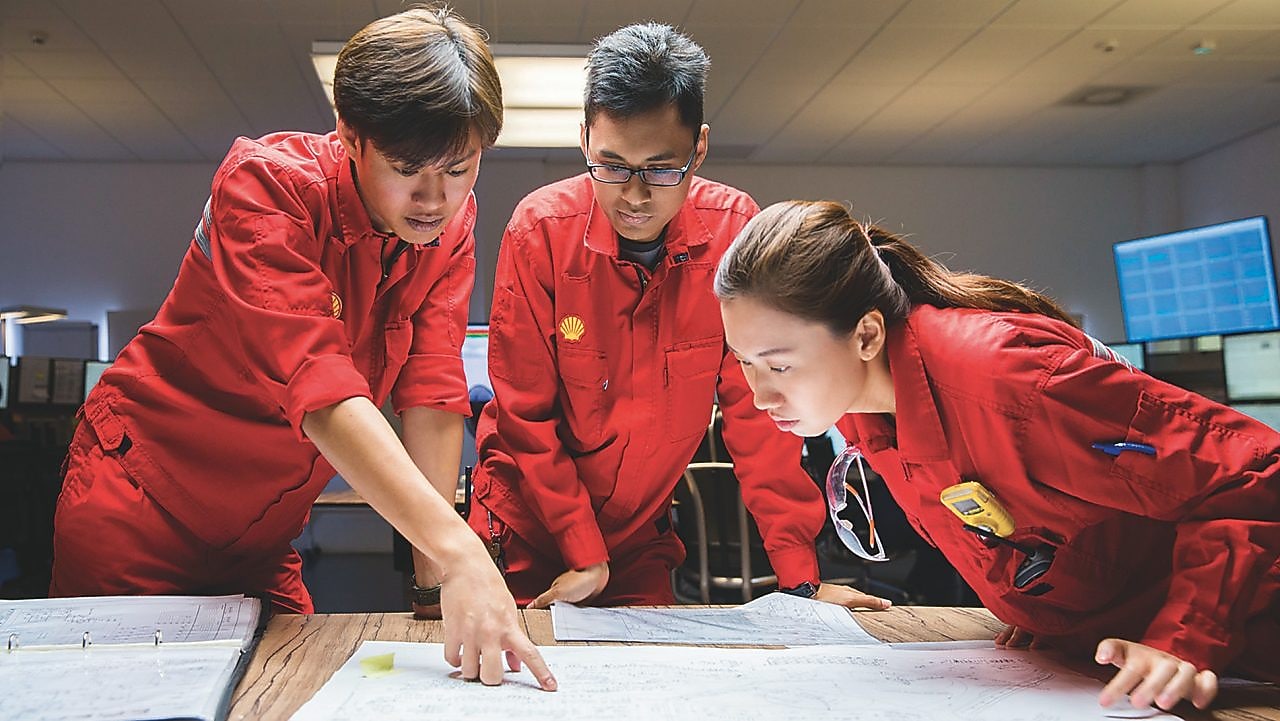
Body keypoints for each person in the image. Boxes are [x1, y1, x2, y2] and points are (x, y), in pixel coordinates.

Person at [49, 7, 555, 690]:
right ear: (351, 134)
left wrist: (434, 585)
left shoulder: (447, 225)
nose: (435, 199)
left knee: (292, 691)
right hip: (142, 510)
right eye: (408, 169)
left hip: (261, 540)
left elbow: (432, 391)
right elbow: (320, 388)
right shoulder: (265, 187)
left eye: (460, 169)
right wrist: (463, 551)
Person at [715, 199, 1280, 711]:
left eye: (779, 365)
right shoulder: (864, 407)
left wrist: (1184, 637)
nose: (760, 396)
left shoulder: (1010, 381)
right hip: (1099, 657)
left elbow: (1252, 474)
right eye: (744, 361)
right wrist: (1046, 609)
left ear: (866, 336)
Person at [469, 23, 891, 611]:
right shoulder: (540, 233)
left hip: (639, 537)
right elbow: (525, 416)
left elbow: (760, 417)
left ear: (700, 148)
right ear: (584, 140)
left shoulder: (733, 235)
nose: (634, 196)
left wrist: (801, 579)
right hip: (526, 528)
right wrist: (582, 551)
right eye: (611, 166)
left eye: (661, 169)